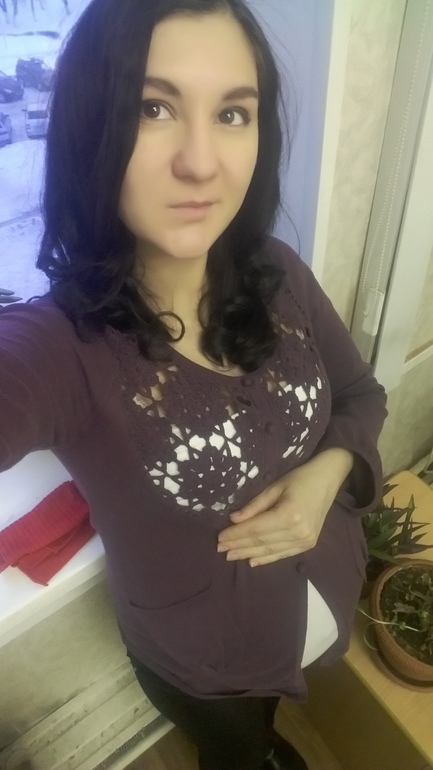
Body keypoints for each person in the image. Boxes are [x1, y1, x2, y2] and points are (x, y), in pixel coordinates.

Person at [0, 1, 388, 768]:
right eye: (153, 108)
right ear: (92, 127)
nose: (202, 163)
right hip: (205, 673)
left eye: (233, 113)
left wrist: (327, 473)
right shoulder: (60, 348)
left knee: (268, 730)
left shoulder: (277, 271)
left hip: (320, 593)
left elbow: (361, 397)